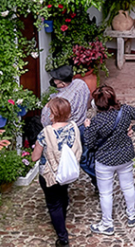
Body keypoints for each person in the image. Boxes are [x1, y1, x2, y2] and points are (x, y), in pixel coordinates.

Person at [84, 86, 135, 234]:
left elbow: (89, 143)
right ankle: (132, 214)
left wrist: (87, 128)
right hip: (125, 156)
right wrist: (134, 128)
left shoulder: (97, 121)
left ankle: (107, 224)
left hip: (104, 160)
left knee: (105, 193)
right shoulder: (125, 111)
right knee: (128, 186)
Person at [32, 97, 82, 247]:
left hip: (50, 174)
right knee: (63, 195)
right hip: (67, 172)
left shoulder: (46, 133)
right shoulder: (74, 127)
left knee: (53, 204)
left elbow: (35, 157)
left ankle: (63, 238)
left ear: (53, 114)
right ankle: (61, 218)